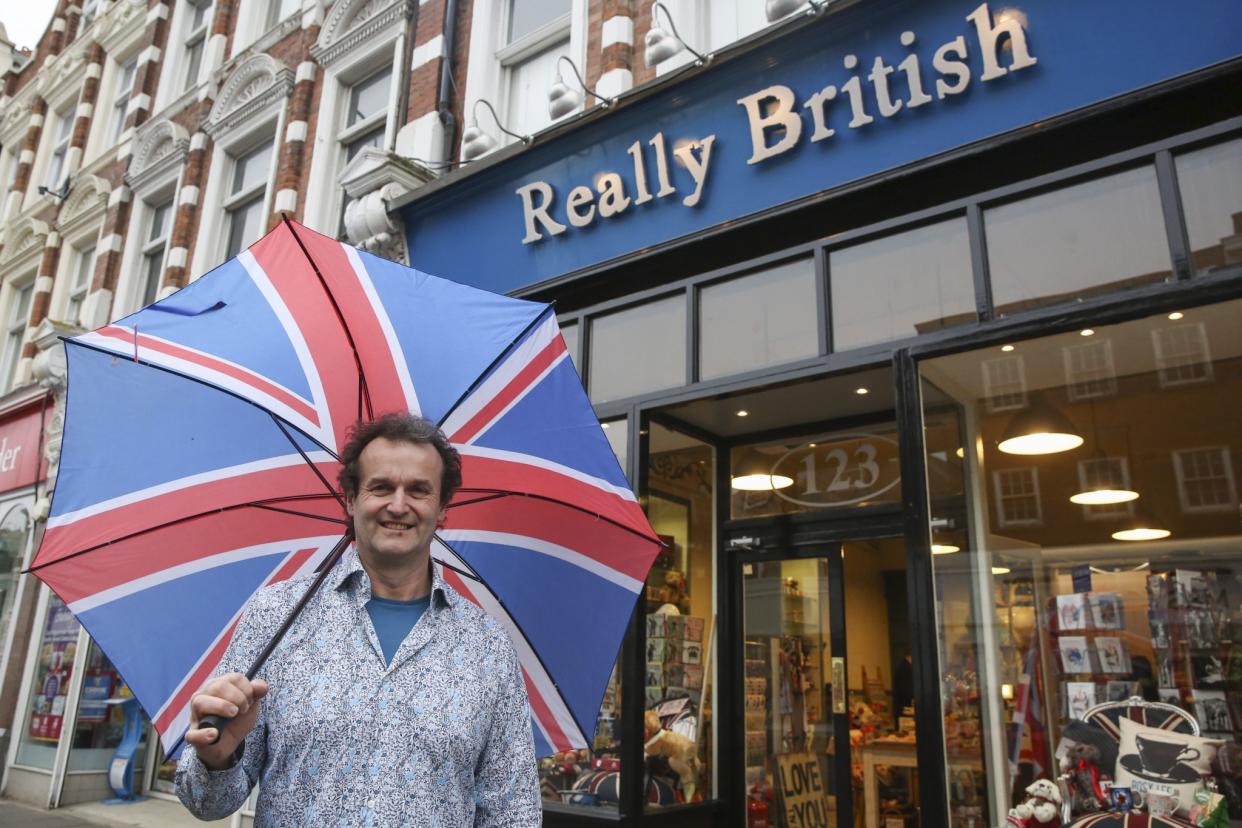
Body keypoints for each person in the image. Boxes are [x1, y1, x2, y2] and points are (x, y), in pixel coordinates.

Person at [176, 413, 541, 826]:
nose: (398, 505)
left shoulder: (487, 646)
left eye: (419, 490)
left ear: (442, 510)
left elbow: (514, 811)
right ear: (351, 500)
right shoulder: (275, 616)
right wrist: (217, 755)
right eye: (381, 487)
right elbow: (205, 803)